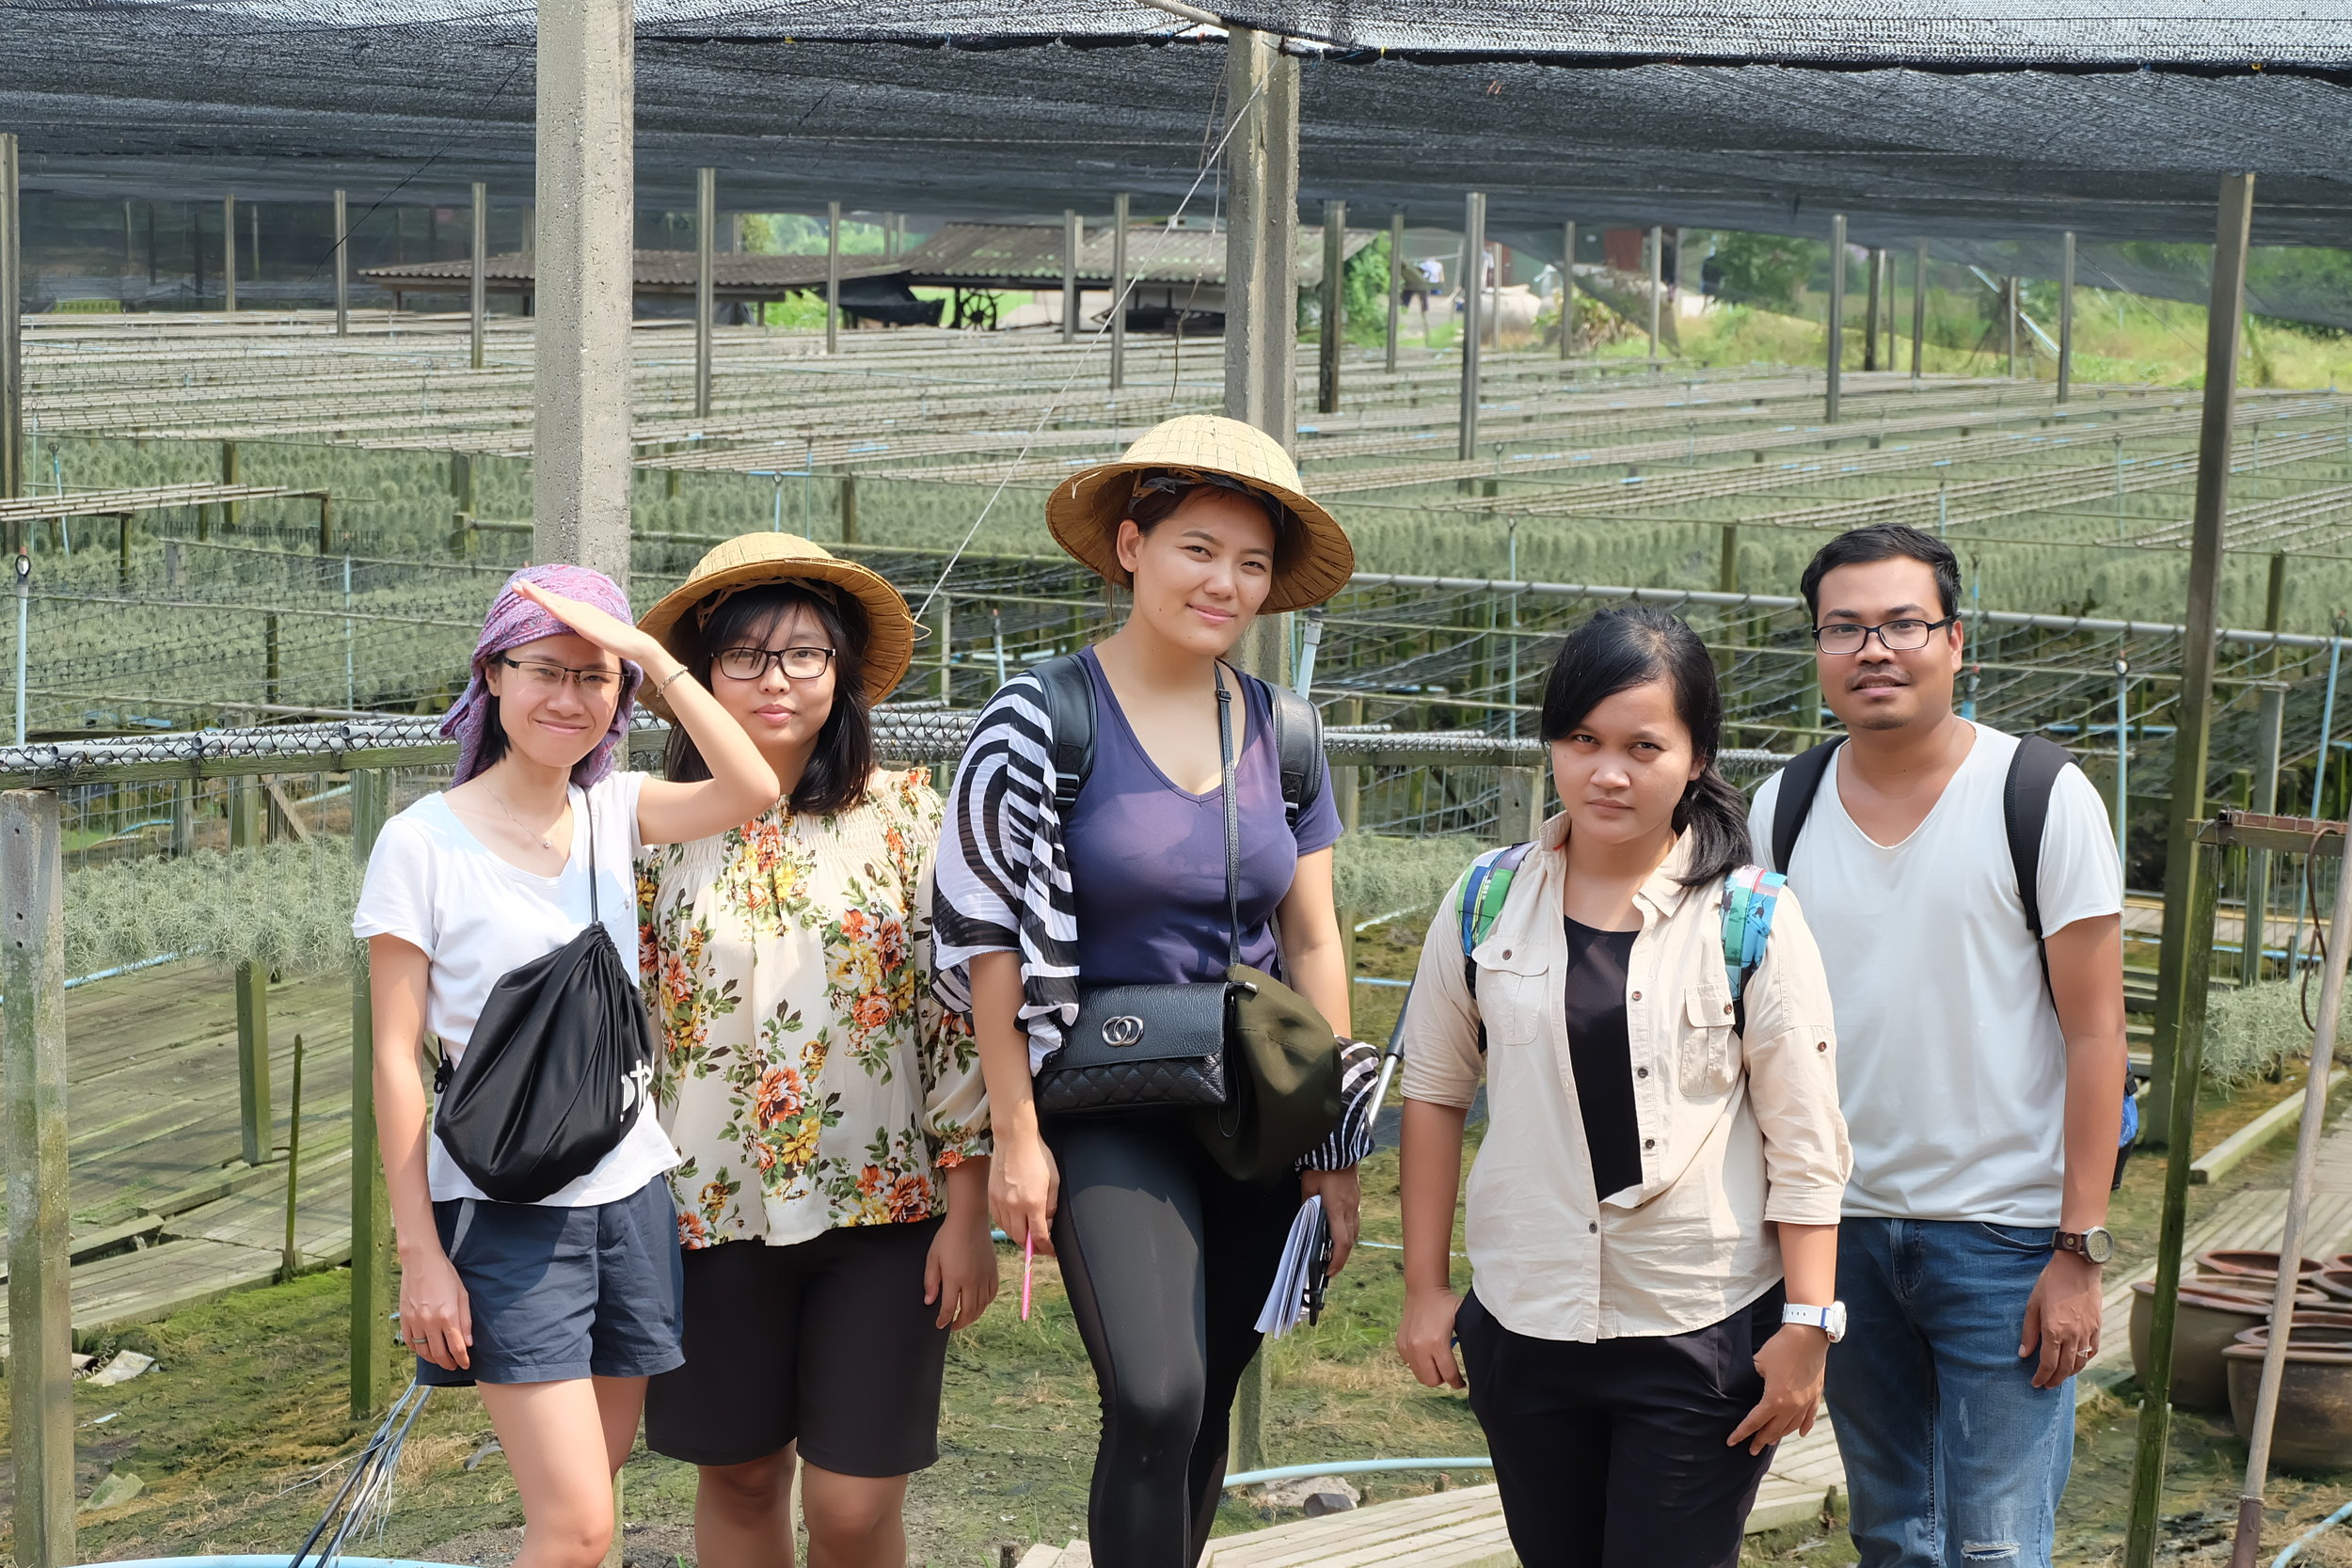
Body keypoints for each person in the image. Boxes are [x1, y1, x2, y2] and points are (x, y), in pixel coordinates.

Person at [930, 414, 1375, 1568]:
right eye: (1196, 546)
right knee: (1155, 1393)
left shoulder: (1286, 732)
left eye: (1252, 561)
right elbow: (983, 942)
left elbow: (1312, 937)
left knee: (1209, 1396)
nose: (1223, 581)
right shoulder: (1040, 720)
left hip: (1253, 1106)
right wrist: (1015, 1134)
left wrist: (1332, 1139)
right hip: (1102, 1097)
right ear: (1130, 544)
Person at [1393, 606, 1851, 1568]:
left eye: (1643, 745)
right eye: (1582, 739)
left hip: (1699, 1324)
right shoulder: (1485, 899)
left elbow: (1805, 1135)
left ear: (1694, 756)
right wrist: (1427, 1288)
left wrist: (1808, 1320)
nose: (1608, 771)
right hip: (1526, 1319)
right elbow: (1434, 1092)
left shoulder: (1751, 918)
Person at [354, 564, 781, 1568]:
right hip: (502, 1209)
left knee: (607, 1469)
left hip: (628, 1189)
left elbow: (754, 786)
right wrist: (420, 1252)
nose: (570, 698)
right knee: (578, 1527)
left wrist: (649, 656)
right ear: (491, 677)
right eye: (544, 669)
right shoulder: (420, 843)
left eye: (595, 679)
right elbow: (393, 1054)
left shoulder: (612, 808)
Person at [1749, 523, 2126, 1568]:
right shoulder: (1782, 806)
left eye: (1902, 623)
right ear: (1818, 650)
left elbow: (2098, 1035)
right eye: (1844, 628)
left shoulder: (2039, 797)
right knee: (1891, 1530)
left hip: (2002, 1240)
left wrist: (2077, 1249)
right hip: (1843, 1233)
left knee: (1998, 1545)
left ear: (1955, 641)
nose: (1874, 649)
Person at [633, 535, 995, 1568]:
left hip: (885, 1206)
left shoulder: (909, 818)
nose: (775, 680)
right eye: (743, 656)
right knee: (740, 1476)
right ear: (702, 678)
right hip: (707, 1208)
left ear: (840, 673)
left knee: (848, 1504)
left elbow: (953, 1015)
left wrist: (967, 1209)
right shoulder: (654, 833)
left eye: (802, 654)